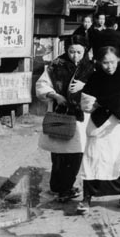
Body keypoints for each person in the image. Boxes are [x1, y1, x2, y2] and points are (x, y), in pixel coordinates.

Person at [77, 46, 120, 214]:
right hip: (100, 127)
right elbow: (86, 103)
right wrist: (99, 104)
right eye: (105, 63)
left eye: (112, 62)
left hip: (119, 128)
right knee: (93, 161)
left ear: (118, 60)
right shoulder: (94, 79)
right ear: (99, 62)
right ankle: (86, 198)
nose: (109, 66)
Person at [36, 35, 95, 203]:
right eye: (71, 51)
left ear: (85, 51)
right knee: (59, 155)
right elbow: (42, 84)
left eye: (78, 52)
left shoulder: (90, 67)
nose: (75, 56)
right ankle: (60, 188)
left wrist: (85, 86)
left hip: (80, 119)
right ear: (66, 50)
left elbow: (100, 88)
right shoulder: (56, 65)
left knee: (75, 154)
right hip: (60, 114)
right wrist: (54, 95)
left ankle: (64, 187)